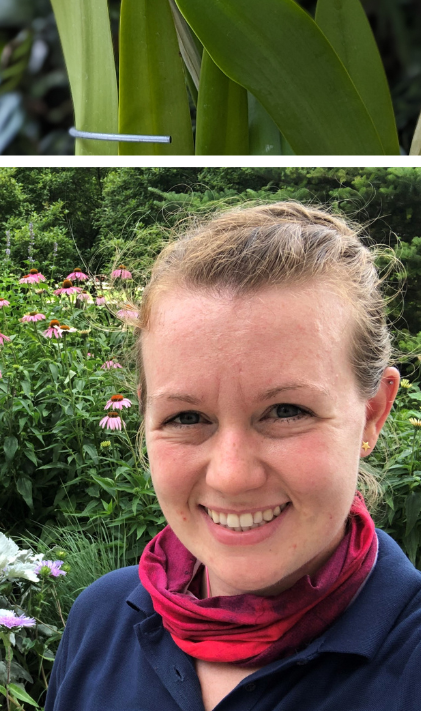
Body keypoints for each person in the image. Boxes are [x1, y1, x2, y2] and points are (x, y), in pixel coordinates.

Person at [45, 203, 421, 710]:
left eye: (286, 411)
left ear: (373, 413)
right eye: (186, 418)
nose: (232, 475)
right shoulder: (102, 620)